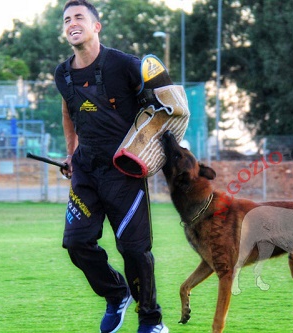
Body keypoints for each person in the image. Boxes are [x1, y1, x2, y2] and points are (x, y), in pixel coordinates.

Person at [54, 1, 168, 333]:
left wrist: (159, 149)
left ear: (96, 27)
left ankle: (151, 320)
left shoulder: (126, 65)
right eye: (66, 20)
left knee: (134, 249)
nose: (72, 23)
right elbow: (68, 112)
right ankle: (117, 294)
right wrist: (70, 154)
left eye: (79, 18)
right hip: (85, 170)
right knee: (76, 243)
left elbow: (168, 104)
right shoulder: (63, 73)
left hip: (124, 171)